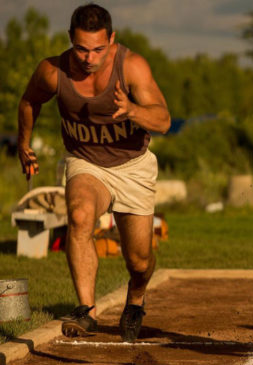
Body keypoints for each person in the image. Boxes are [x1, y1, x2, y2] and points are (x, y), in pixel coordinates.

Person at [17, 3, 170, 342]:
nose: (89, 58)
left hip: (132, 167)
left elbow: (163, 120)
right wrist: (23, 144)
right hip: (86, 163)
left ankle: (136, 297)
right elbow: (29, 101)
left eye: (98, 49)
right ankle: (86, 310)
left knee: (139, 261)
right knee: (80, 215)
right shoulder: (53, 71)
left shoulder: (131, 66)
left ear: (111, 40)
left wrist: (132, 109)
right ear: (71, 39)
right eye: (81, 49)